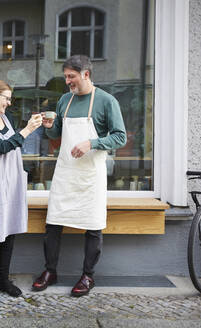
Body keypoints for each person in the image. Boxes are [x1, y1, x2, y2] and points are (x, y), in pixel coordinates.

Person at [32, 55, 126, 297]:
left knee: (93, 227)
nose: (67, 81)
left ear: (86, 74)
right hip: (65, 172)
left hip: (90, 175)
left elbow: (120, 137)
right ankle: (50, 271)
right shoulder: (65, 100)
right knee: (53, 223)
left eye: (71, 76)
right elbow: (56, 134)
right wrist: (48, 125)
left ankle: (88, 276)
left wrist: (92, 143)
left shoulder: (107, 101)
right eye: (66, 77)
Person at [0, 80, 42, 300]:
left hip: (12, 182)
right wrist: (28, 129)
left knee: (9, 233)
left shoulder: (7, 118)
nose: (9, 103)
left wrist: (34, 127)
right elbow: (2, 147)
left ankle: (3, 280)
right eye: (6, 98)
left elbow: (14, 141)